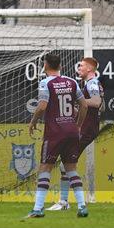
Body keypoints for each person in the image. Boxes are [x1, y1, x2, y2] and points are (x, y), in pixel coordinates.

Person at [27, 54, 88, 218]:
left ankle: (38, 208)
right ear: (60, 65)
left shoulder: (45, 83)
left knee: (45, 167)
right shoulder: (72, 82)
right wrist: (79, 125)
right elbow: (84, 105)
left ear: (45, 65)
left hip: (55, 132)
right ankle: (82, 206)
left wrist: (33, 122)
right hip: (72, 132)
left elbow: (42, 106)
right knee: (71, 169)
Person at [47, 57, 104, 211]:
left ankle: (65, 202)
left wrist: (77, 100)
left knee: (67, 164)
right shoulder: (90, 84)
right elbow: (95, 107)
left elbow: (97, 102)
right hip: (87, 128)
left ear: (90, 69)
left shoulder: (92, 83)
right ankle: (65, 202)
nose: (79, 68)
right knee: (67, 163)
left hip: (87, 129)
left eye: (82, 66)